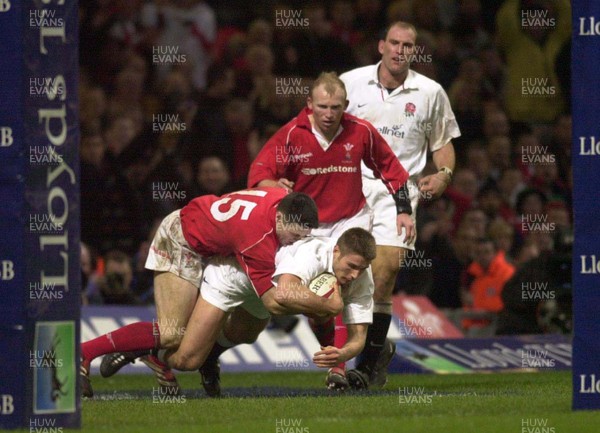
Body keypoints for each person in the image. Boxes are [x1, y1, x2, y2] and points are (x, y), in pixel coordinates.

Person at [247, 71, 414, 389]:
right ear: (309, 104)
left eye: (335, 107)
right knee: (317, 304)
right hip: (308, 229)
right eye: (322, 106)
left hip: (350, 221)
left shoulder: (360, 131)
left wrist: (404, 210)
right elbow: (259, 175)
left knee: (342, 287)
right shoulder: (291, 135)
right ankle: (353, 358)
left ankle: (351, 363)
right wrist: (275, 186)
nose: (328, 114)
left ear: (345, 106)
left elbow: (392, 168)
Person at [79, 188, 323, 397]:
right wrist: (322, 306)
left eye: (302, 238)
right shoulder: (258, 240)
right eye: (293, 236)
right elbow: (272, 302)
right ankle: (85, 353)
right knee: (171, 333)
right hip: (180, 240)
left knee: (245, 330)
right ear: (279, 217)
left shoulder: (283, 199)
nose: (294, 243)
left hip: (208, 240)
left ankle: (177, 353)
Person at [103, 228, 377, 397]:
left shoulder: (361, 276)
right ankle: (148, 350)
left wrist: (343, 354)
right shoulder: (312, 255)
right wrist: (327, 307)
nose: (354, 275)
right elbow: (282, 296)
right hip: (233, 278)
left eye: (361, 269)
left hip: (261, 287)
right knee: (184, 356)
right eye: (351, 266)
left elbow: (359, 335)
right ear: (337, 250)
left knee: (245, 333)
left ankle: (210, 357)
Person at [339, 21, 460, 389]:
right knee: (343, 275)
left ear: (414, 51)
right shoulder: (350, 83)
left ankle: (367, 363)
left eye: (408, 45)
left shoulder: (430, 92)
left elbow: (442, 144)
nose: (400, 51)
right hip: (348, 189)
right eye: (394, 43)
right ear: (381, 45)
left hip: (399, 193)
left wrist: (444, 175)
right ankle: (372, 351)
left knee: (386, 269)